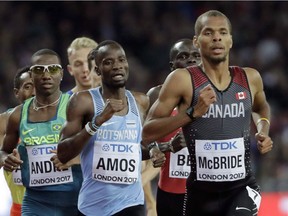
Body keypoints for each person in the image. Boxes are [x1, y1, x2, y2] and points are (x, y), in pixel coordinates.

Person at [142, 10, 273, 216]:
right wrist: (193, 113)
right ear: (196, 40)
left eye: (222, 32)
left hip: (242, 189)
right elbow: (147, 132)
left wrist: (263, 128)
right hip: (200, 194)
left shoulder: (250, 77)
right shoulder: (181, 80)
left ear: (230, 40)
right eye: (208, 32)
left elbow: (260, 107)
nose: (217, 37)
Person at [56, 40, 165, 216]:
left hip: (132, 203)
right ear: (98, 70)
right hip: (93, 206)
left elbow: (138, 147)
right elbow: (62, 153)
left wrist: (154, 150)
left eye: (121, 60)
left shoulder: (140, 101)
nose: (117, 66)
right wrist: (96, 123)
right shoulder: (82, 101)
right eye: (108, 62)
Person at [0, 49, 82, 216]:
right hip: (35, 202)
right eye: (39, 70)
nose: (46, 75)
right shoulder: (17, 115)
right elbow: (4, 151)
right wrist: (5, 159)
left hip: (75, 200)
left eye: (52, 69)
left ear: (61, 73)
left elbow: (99, 149)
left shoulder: (77, 106)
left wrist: (77, 159)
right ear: (31, 74)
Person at [146, 38, 201, 216]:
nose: (191, 60)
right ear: (172, 66)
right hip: (170, 195)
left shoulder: (216, 96)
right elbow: (142, 139)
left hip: (206, 192)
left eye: (196, 55)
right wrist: (163, 147)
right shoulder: (157, 96)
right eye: (183, 56)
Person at [0, 66, 35, 216]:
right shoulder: (4, 122)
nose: (34, 92)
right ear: (16, 93)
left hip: (56, 206)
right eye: (28, 87)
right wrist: (3, 158)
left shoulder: (61, 119)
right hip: (20, 209)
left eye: (37, 86)